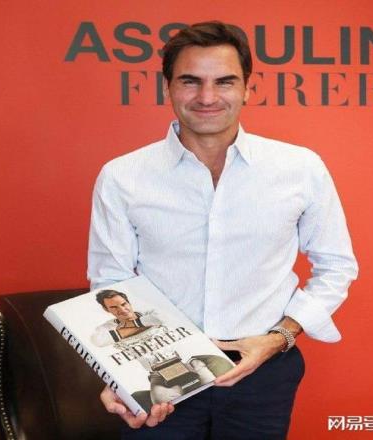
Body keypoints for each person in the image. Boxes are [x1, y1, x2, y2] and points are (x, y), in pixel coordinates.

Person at [88, 21, 358, 440]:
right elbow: (111, 282)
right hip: (160, 369)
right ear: (168, 87)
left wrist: (279, 338)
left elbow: (337, 266)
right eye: (190, 81)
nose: (207, 97)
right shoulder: (122, 176)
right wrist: (121, 372)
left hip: (264, 371)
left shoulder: (300, 168)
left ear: (248, 88)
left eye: (225, 82)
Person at [91, 290, 164, 347]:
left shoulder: (147, 311)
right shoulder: (107, 326)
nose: (122, 310)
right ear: (106, 309)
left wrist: (127, 325)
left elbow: (162, 317)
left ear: (129, 302)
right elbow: (97, 341)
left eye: (124, 304)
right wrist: (142, 326)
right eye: (114, 307)